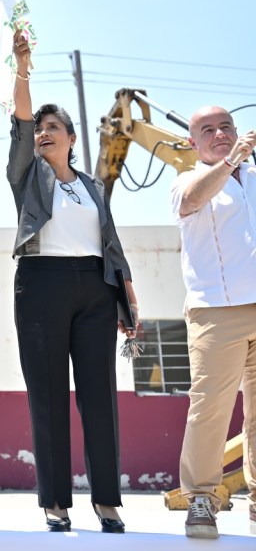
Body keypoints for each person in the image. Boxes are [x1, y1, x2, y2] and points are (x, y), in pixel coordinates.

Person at [7, 34, 137, 533]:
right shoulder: (26, 176)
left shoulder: (92, 186)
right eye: (40, 128)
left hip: (96, 291)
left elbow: (112, 244)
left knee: (99, 396)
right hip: (41, 286)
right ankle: (56, 501)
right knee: (49, 395)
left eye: (53, 127)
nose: (43, 133)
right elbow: (19, 127)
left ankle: (107, 500)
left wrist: (126, 297)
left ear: (72, 138)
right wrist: (23, 69)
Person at [172, 106, 256, 539]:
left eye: (226, 127)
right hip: (215, 312)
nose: (220, 134)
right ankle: (202, 497)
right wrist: (232, 160)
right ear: (193, 143)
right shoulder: (189, 180)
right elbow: (191, 202)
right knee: (210, 409)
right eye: (208, 130)